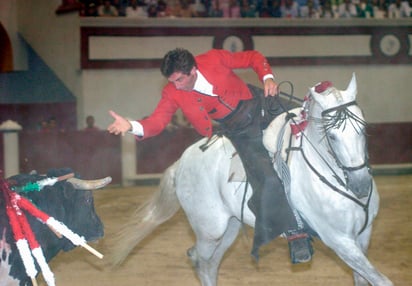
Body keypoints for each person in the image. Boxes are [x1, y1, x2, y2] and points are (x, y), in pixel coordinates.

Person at [107, 48, 313, 263]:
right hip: (241, 132)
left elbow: (253, 57)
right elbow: (157, 122)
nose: (176, 86)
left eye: (179, 80)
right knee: (266, 178)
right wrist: (131, 125)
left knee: (310, 122)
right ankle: (295, 234)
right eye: (172, 81)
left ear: (193, 70)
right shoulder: (172, 92)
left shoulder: (215, 58)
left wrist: (267, 77)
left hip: (263, 103)